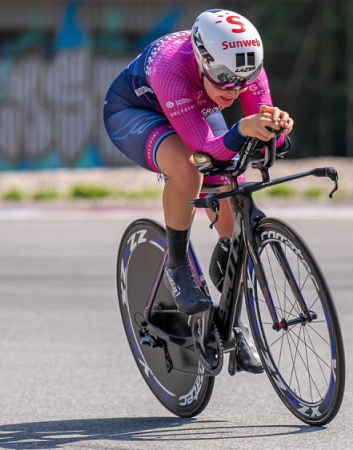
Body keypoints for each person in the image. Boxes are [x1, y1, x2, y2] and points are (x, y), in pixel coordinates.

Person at [103, 9, 293, 373]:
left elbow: (263, 137)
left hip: (195, 106)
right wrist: (243, 129)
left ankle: (231, 319)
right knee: (188, 168)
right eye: (223, 80)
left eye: (242, 81)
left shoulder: (240, 64)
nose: (234, 90)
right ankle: (177, 267)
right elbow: (205, 149)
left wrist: (277, 129)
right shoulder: (170, 67)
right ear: (204, 62)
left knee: (235, 217)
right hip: (137, 111)